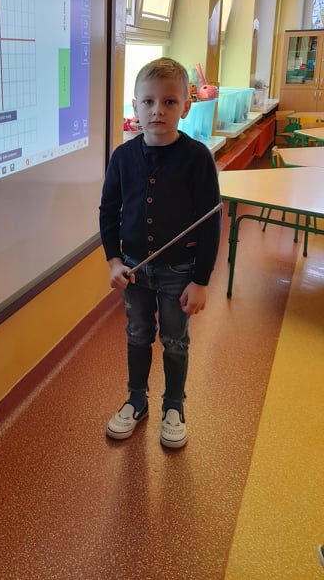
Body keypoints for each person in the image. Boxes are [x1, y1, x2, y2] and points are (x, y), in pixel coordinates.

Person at [99, 57, 221, 448]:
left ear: (186, 106)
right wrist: (114, 260)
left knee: (175, 340)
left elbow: (210, 223)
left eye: (169, 102)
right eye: (148, 101)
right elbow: (109, 211)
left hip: (179, 272)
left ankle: (173, 406)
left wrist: (200, 281)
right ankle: (137, 400)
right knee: (137, 335)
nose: (158, 110)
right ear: (135, 106)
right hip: (134, 270)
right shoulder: (122, 157)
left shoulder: (197, 158)